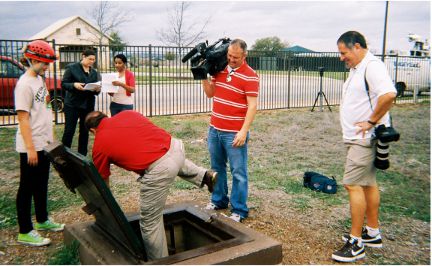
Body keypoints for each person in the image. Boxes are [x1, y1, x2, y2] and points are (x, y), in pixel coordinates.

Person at [84, 110, 217, 260]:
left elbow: (103, 182)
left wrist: (105, 205)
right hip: (175, 147)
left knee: (150, 222)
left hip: (161, 168)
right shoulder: (127, 114)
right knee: (171, 159)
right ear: (105, 116)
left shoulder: (99, 144)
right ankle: (204, 175)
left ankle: (160, 261)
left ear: (92, 130)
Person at [331, 31, 397, 262]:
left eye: (344, 52)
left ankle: (356, 242)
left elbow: (389, 95)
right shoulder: (358, 68)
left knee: (352, 184)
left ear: (357, 46)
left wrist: (370, 121)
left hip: (364, 138)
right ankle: (372, 233)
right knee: (368, 184)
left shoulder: (372, 66)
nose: (341, 58)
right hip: (357, 137)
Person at [201, 39, 259, 223]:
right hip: (215, 130)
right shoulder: (219, 69)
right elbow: (211, 93)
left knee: (238, 172)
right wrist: (203, 76)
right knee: (217, 168)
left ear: (244, 55)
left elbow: (252, 106)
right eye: (229, 56)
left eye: (235, 57)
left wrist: (243, 131)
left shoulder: (250, 76)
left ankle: (239, 210)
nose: (231, 59)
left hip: (234, 133)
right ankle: (219, 200)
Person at [14, 40, 65, 247]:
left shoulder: (40, 80)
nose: (46, 67)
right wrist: (30, 149)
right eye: (43, 63)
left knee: (42, 183)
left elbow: (43, 111)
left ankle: (43, 219)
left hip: (43, 143)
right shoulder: (24, 84)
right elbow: (23, 118)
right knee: (27, 187)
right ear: (32, 60)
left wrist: (51, 138)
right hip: (31, 145)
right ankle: (25, 230)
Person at [61, 49, 101, 156]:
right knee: (69, 130)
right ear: (83, 56)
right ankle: (64, 154)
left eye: (93, 60)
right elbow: (64, 84)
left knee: (84, 131)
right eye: (90, 59)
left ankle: (82, 154)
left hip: (88, 105)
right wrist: (74, 85)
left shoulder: (94, 72)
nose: (92, 61)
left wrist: (97, 90)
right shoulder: (72, 68)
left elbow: (97, 88)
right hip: (73, 105)